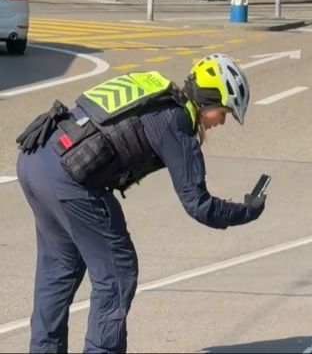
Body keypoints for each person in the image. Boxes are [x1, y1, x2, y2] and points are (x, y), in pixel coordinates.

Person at [14, 54, 266, 353]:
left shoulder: (155, 91)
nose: (222, 122)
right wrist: (246, 212)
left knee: (59, 269)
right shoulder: (177, 122)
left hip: (36, 158)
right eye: (223, 112)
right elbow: (199, 205)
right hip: (69, 179)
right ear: (209, 101)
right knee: (118, 270)